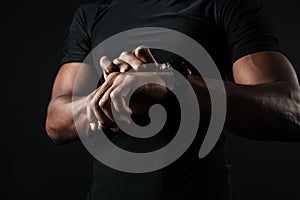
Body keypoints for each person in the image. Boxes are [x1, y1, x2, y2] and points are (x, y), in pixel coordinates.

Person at [45, 0, 300, 199]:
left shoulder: (224, 7)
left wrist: (174, 83)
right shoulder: (92, 14)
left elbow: (291, 110)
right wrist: (108, 97)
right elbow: (56, 123)